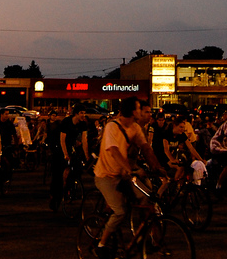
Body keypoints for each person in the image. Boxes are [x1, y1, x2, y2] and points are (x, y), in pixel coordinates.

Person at [91, 96, 157, 259]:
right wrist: (129, 169)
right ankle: (101, 245)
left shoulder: (135, 128)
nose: (141, 112)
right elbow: (113, 150)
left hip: (123, 175)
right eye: (138, 108)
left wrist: (158, 167)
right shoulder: (112, 127)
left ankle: (142, 238)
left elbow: (145, 147)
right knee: (120, 211)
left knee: (146, 199)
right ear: (133, 111)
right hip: (106, 175)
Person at [50, 104, 91, 211]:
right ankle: (55, 196)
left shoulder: (82, 124)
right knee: (57, 174)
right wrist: (65, 154)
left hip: (71, 146)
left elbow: (84, 140)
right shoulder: (66, 122)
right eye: (81, 113)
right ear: (76, 114)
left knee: (77, 168)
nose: (83, 115)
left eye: (84, 113)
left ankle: (70, 188)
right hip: (60, 147)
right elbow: (62, 139)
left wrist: (87, 156)